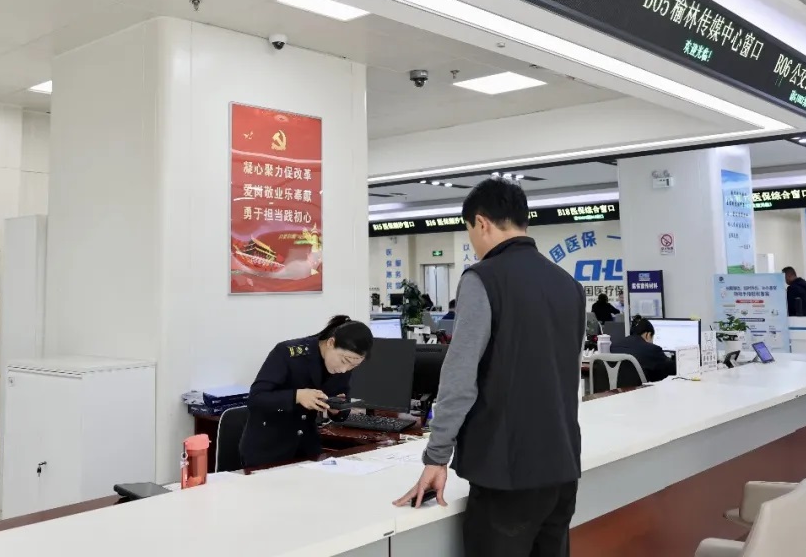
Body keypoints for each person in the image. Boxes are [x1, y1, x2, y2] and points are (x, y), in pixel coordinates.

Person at [394, 178, 585, 557]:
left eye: (469, 233)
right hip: (562, 468)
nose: (473, 244)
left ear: (481, 223)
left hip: (506, 473)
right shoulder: (569, 285)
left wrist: (436, 457)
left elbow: (460, 379)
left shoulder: (483, 279)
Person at [239, 316, 372, 468]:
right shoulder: (288, 353)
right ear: (331, 343)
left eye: (353, 366)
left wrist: (337, 410)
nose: (344, 370)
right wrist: (297, 396)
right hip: (269, 450)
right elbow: (256, 398)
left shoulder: (344, 365)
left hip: (307, 449)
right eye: (344, 361)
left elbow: (342, 398)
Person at [609, 316, 676, 382]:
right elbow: (674, 369)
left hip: (617, 388)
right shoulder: (652, 350)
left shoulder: (613, 346)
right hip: (640, 388)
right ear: (648, 334)